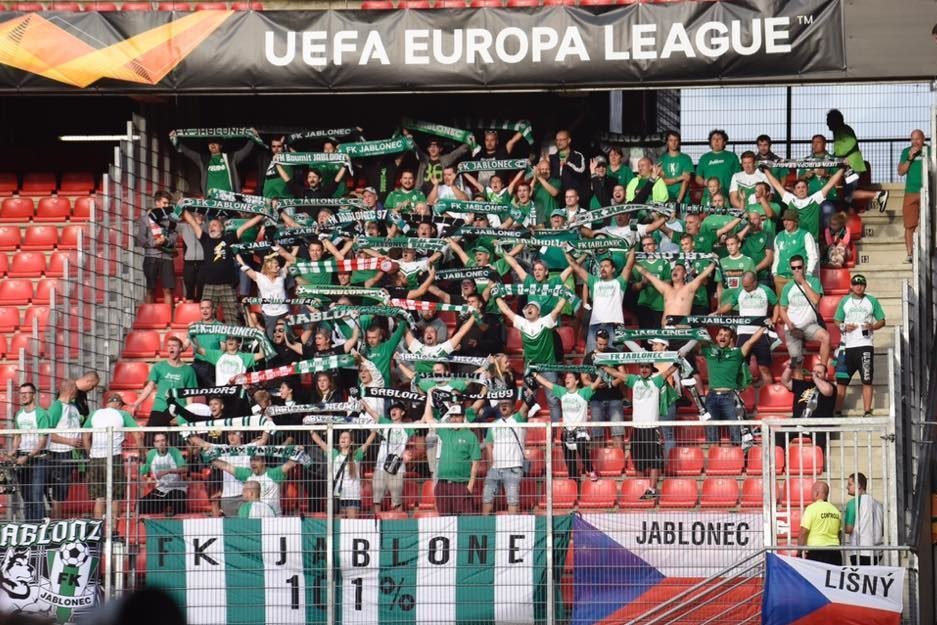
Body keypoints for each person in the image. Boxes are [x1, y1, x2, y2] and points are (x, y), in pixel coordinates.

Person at [605, 358, 678, 499]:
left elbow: (670, 370)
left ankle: (652, 489)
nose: (644, 369)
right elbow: (616, 373)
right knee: (638, 460)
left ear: (651, 369)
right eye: (642, 367)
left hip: (652, 427)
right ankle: (640, 488)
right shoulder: (634, 380)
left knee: (655, 461)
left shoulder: (656, 380)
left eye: (647, 367)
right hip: (637, 428)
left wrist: (678, 361)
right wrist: (603, 366)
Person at [494, 295, 567, 422]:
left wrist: (565, 295)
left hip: (548, 367)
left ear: (538, 312)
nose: (529, 309)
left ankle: (555, 431)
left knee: (553, 401)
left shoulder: (546, 321)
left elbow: (557, 309)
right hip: (530, 369)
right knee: (527, 402)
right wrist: (496, 295)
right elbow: (506, 310)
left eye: (532, 307)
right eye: (527, 307)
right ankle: (523, 428)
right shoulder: (522, 323)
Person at [700, 325, 767, 446]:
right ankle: (714, 458)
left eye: (726, 336)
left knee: (736, 434)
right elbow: (697, 338)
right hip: (711, 397)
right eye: (720, 335)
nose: (722, 337)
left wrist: (764, 326)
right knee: (711, 434)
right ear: (716, 337)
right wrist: (694, 323)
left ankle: (738, 456)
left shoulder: (737, 353)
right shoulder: (709, 351)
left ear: (731, 339)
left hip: (730, 397)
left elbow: (751, 341)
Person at [533, 371, 603, 481]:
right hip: (567, 432)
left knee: (581, 447)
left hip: (580, 430)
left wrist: (602, 373)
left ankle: (590, 470)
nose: (567, 379)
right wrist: (535, 374)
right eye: (566, 377)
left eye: (570, 377)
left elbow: (595, 384)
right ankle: (573, 478)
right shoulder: (562, 392)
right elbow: (546, 383)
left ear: (577, 381)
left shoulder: (583, 392)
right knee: (569, 460)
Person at [83, 395, 143, 521]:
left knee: (99, 497)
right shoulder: (123, 414)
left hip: (96, 457)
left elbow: (85, 437)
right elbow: (137, 435)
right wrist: (142, 452)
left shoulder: (94, 414)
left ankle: (98, 529)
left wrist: (90, 454)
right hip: (113, 456)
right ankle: (114, 529)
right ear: (118, 404)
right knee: (116, 496)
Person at [833, 274, 886, 418]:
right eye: (856, 284)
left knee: (867, 379)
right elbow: (837, 320)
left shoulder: (872, 300)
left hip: (865, 345)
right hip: (846, 346)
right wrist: (844, 326)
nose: (858, 286)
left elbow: (882, 320)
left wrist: (872, 327)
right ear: (851, 285)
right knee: (841, 381)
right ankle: (837, 411)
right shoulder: (845, 300)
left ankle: (867, 411)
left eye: (861, 284)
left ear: (865, 286)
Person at [423, 389, 481, 515]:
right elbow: (428, 418)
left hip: (461, 485)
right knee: (445, 520)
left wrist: (470, 487)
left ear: (463, 417)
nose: (454, 419)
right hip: (443, 484)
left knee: (465, 519)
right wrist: (429, 397)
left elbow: (475, 463)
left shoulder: (470, 436)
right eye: (452, 416)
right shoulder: (445, 431)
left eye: (457, 416)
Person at [564, 249, 635, 352]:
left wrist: (632, 246)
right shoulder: (594, 282)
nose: (602, 269)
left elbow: (629, 265)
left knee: (613, 359)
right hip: (595, 325)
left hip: (614, 325)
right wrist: (565, 250)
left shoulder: (619, 282)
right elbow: (575, 266)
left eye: (606, 266)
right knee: (592, 357)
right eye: (601, 266)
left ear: (613, 269)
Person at [718, 271, 778, 390]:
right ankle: (742, 396)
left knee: (764, 368)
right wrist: (717, 312)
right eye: (743, 285)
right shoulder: (739, 291)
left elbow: (776, 304)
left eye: (747, 286)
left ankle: (769, 396)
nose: (745, 288)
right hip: (743, 333)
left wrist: (774, 320)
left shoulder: (766, 290)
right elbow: (730, 304)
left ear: (755, 282)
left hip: (761, 333)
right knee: (740, 366)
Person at [131, 336, 198, 439]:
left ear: (181, 348)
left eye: (174, 346)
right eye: (169, 346)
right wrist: (136, 403)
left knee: (177, 442)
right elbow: (149, 387)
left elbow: (190, 395)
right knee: (149, 440)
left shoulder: (188, 370)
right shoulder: (158, 366)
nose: (171, 348)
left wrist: (188, 412)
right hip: (160, 408)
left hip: (178, 410)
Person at [826, 109, 888, 211]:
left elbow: (851, 141)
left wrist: (837, 155)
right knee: (848, 193)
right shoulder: (840, 130)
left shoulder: (842, 130)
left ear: (834, 121)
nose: (827, 123)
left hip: (852, 166)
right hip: (850, 166)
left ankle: (878, 194)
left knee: (849, 194)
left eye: (829, 121)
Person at [358, 402, 413, 515]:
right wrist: (362, 401)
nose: (393, 411)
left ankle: (398, 520)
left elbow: (423, 422)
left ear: (402, 412)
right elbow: (371, 412)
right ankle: (376, 521)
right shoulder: (385, 423)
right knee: (376, 499)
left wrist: (409, 452)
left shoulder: (408, 427)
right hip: (381, 467)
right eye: (392, 409)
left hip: (397, 468)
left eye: (396, 409)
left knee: (396, 500)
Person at [763, 166, 844, 241]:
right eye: (798, 188)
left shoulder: (815, 199)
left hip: (812, 241)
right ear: (794, 191)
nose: (801, 190)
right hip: (795, 241)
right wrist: (765, 170)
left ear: (807, 189)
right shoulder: (791, 199)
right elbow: (776, 185)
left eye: (803, 187)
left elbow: (831, 183)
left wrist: (842, 168)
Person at [779, 254, 830, 369]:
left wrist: (803, 282)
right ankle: (793, 369)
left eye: (799, 267)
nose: (797, 270)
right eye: (794, 268)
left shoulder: (814, 281)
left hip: (809, 326)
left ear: (805, 267)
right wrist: (790, 325)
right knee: (796, 364)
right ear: (791, 269)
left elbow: (815, 300)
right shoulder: (787, 287)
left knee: (826, 337)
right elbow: (782, 309)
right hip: (793, 328)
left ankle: (822, 369)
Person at [482, 399, 532, 515]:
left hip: (513, 466)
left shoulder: (518, 419)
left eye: (507, 404)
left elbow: (525, 407)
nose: (503, 406)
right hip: (495, 468)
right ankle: (484, 522)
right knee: (487, 497)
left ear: (513, 407)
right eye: (501, 405)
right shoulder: (493, 424)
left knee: (512, 499)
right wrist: (491, 465)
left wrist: (530, 394)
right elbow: (489, 445)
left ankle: (512, 523)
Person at [212, 451, 298, 517]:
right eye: (251, 460)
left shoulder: (273, 473)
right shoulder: (247, 474)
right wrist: (210, 458)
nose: (253, 463)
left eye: (256, 460)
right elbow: (226, 466)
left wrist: (297, 452)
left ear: (264, 462)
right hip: (254, 518)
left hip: (273, 518)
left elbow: (289, 464)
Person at [8, 383, 49, 521]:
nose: (23, 396)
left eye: (27, 393)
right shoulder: (19, 414)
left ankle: (38, 526)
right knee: (26, 496)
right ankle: (29, 525)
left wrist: (29, 456)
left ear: (34, 395)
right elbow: (17, 436)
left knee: (36, 495)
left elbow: (42, 441)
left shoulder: (41, 414)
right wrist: (14, 450)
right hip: (23, 457)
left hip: (38, 458)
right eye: (21, 393)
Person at [582, 329, 627, 449]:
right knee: (597, 433)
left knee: (618, 432)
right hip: (596, 398)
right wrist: (595, 385)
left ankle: (620, 458)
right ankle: (598, 459)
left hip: (614, 397)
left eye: (605, 344)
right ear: (595, 341)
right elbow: (584, 379)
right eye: (600, 344)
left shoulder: (614, 353)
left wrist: (612, 383)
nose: (602, 347)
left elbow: (623, 374)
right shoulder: (588, 357)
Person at [171, 130, 255, 196]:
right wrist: (174, 139)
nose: (212, 145)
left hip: (229, 199)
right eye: (210, 143)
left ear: (220, 145)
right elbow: (187, 152)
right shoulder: (203, 159)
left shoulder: (230, 158)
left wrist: (252, 138)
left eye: (215, 142)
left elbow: (245, 151)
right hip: (210, 199)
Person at [779, 358, 834, 452]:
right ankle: (778, 458)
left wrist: (816, 378)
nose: (815, 374)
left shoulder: (830, 386)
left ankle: (818, 460)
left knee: (820, 441)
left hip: (818, 425)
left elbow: (827, 391)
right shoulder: (803, 384)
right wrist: (789, 367)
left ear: (826, 375)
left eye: (819, 372)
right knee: (778, 435)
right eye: (814, 372)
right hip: (797, 422)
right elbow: (785, 381)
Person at [46, 380, 83, 519]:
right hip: (59, 453)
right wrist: (69, 441)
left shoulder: (73, 407)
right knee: (59, 491)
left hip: (72, 454)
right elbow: (48, 433)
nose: (77, 391)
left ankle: (57, 519)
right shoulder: (56, 407)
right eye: (76, 388)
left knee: (63, 490)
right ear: (71, 390)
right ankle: (56, 521)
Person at [135, 190, 177, 305]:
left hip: (167, 257)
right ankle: (150, 315)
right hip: (151, 257)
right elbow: (141, 239)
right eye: (164, 203)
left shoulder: (171, 219)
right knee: (150, 289)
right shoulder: (145, 219)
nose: (167, 206)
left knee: (168, 290)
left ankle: (168, 315)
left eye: (168, 203)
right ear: (157, 202)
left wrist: (166, 241)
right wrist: (155, 242)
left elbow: (174, 237)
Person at [311, 430, 364, 518]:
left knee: (352, 524)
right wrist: (311, 431)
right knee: (339, 523)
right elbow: (320, 442)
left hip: (352, 496)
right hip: (338, 496)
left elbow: (367, 443)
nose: (342, 439)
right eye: (341, 437)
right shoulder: (335, 453)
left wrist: (373, 431)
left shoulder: (356, 454)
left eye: (346, 437)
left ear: (351, 442)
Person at [138, 433, 188, 517]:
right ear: (154, 444)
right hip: (161, 490)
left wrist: (168, 471)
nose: (161, 443)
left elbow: (184, 469)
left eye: (163, 440)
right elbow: (142, 471)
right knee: (141, 505)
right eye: (157, 441)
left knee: (178, 501)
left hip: (176, 488)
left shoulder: (174, 451)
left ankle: (177, 520)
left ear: (167, 442)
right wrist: (142, 481)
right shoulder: (151, 454)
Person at [771, 210, 819, 297]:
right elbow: (777, 256)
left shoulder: (805, 235)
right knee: (782, 303)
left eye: (789, 220)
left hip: (798, 278)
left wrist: (808, 273)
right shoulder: (779, 236)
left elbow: (812, 256)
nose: (786, 223)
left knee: (797, 302)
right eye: (784, 220)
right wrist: (774, 273)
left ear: (796, 222)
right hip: (781, 278)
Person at [898, 129, 926, 262]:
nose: (915, 142)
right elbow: (901, 172)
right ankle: (910, 254)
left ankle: (925, 252)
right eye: (912, 139)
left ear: (923, 138)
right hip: (911, 192)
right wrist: (910, 158)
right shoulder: (906, 152)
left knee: (926, 223)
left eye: (917, 139)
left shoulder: (929, 150)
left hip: (927, 192)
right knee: (909, 225)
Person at [844, 472, 884, 566]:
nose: (847, 487)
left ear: (858, 485)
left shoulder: (853, 503)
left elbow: (849, 529)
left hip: (860, 551)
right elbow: (882, 530)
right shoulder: (878, 504)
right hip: (876, 552)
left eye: (850, 484)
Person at [799, 480, 843, 565]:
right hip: (835, 552)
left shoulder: (811, 509)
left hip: (817, 552)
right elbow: (839, 534)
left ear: (816, 493)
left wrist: (799, 552)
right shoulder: (836, 510)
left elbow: (803, 532)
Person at [695, 129, 741, 195]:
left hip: (727, 195)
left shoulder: (732, 156)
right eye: (714, 139)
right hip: (708, 196)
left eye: (719, 139)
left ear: (724, 142)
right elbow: (698, 178)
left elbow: (738, 177)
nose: (716, 141)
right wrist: (705, 182)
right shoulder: (704, 158)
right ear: (710, 142)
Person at [549, 129, 588, 198]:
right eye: (557, 140)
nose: (558, 142)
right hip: (558, 197)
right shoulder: (552, 158)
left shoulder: (577, 155)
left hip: (574, 196)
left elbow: (581, 171)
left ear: (569, 140)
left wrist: (567, 164)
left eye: (561, 140)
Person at [658, 130, 694, 203]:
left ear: (679, 142)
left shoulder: (686, 158)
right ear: (667, 142)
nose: (673, 143)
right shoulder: (662, 159)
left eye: (676, 140)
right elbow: (664, 181)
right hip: (666, 198)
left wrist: (678, 201)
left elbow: (686, 180)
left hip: (683, 200)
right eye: (671, 140)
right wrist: (680, 177)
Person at [177, 209, 205, 302]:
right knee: (189, 287)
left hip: (203, 261)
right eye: (197, 214)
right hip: (189, 261)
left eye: (201, 214)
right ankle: (190, 307)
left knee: (202, 287)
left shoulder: (206, 226)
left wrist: (201, 225)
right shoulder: (184, 226)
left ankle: (201, 307)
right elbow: (169, 223)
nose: (199, 216)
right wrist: (178, 210)